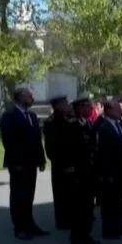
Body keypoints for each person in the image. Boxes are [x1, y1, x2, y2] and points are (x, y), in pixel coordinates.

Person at [0, 88, 48, 240]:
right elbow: (9, 142)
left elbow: (36, 140)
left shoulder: (32, 116)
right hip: (19, 164)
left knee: (29, 194)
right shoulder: (9, 116)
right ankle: (19, 227)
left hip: (31, 162)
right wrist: (16, 162)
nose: (32, 98)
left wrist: (41, 159)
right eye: (29, 95)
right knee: (18, 195)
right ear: (20, 98)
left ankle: (29, 223)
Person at [95, 100, 122, 239]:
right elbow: (104, 153)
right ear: (109, 110)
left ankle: (118, 225)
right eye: (117, 109)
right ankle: (109, 229)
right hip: (112, 171)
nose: (120, 111)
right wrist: (107, 173)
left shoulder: (119, 125)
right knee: (110, 201)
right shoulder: (104, 127)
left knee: (120, 200)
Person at [69, 98, 99, 244]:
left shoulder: (87, 123)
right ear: (79, 108)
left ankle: (86, 233)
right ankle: (77, 236)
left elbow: (92, 144)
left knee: (88, 204)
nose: (90, 109)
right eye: (87, 107)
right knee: (78, 205)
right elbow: (69, 149)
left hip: (89, 169)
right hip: (78, 170)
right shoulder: (72, 125)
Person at [43, 96, 74, 230]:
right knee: (61, 193)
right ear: (58, 106)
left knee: (69, 194)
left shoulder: (66, 120)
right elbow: (52, 147)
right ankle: (62, 221)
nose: (67, 105)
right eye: (64, 103)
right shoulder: (52, 122)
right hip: (61, 164)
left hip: (69, 163)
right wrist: (63, 164)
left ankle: (68, 218)